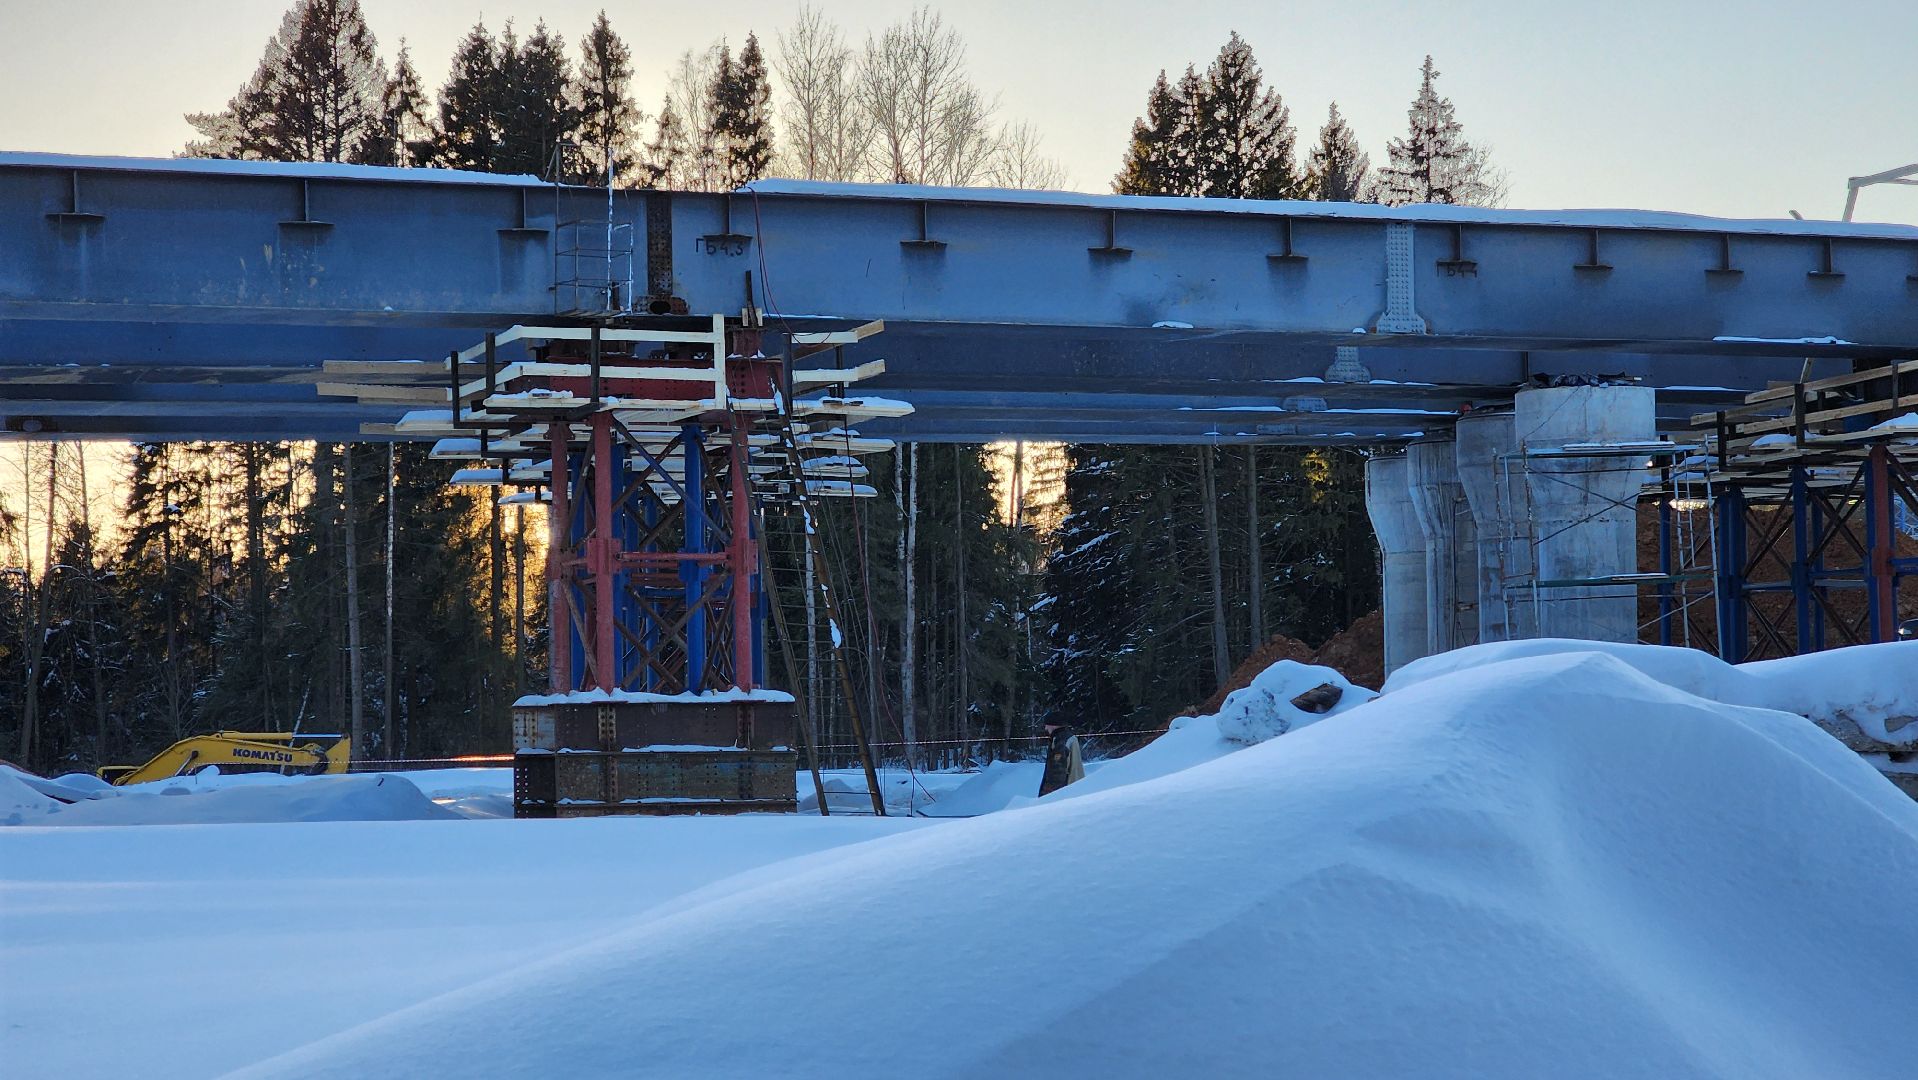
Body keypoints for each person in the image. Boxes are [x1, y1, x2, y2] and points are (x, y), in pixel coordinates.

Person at [1037, 720, 1085, 797]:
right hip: (1076, 787)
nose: (1046, 728)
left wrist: (1047, 795)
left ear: (1054, 725)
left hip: (1065, 792)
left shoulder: (1060, 741)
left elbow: (1058, 770)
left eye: (1047, 725)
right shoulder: (1070, 737)